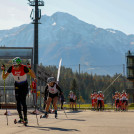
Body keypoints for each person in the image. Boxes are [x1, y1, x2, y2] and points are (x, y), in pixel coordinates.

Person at [1, 57, 37, 125]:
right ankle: (21, 118)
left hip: (24, 85)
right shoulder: (11, 68)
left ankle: (25, 118)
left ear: (20, 64)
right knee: (18, 102)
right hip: (17, 85)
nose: (15, 67)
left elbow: (33, 75)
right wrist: (3, 70)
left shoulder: (24, 68)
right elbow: (4, 77)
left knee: (23, 101)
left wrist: (30, 69)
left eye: (16, 65)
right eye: (14, 65)